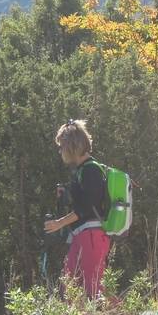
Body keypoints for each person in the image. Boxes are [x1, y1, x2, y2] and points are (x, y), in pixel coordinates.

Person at [43, 119, 110, 298]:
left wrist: (59, 223)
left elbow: (86, 208)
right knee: (71, 283)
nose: (60, 151)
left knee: (92, 287)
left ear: (72, 146)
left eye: (62, 146)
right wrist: (67, 192)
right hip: (83, 235)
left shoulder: (90, 170)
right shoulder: (83, 170)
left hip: (91, 236)